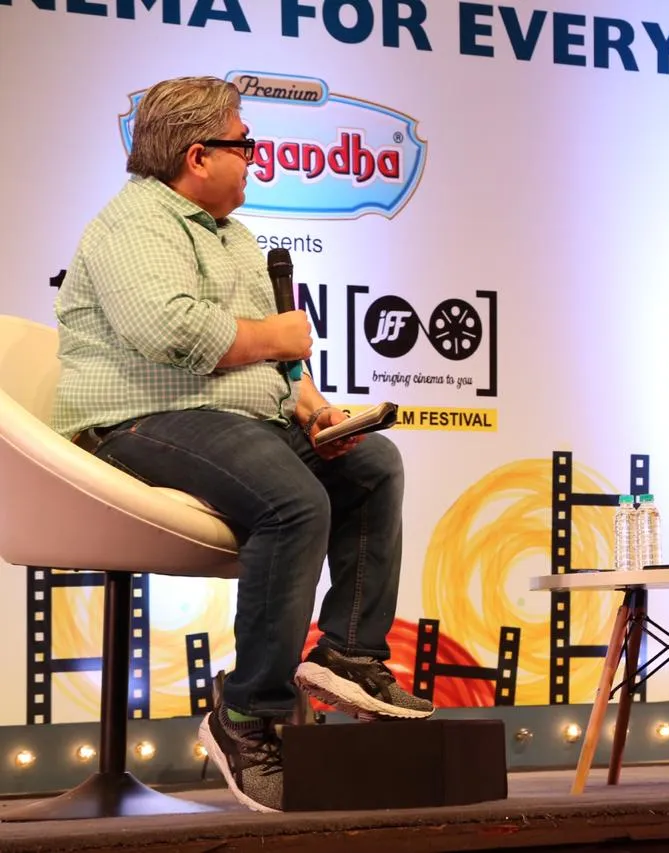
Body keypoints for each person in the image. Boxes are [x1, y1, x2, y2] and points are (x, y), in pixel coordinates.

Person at [52, 76, 434, 813]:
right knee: (292, 503)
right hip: (140, 419)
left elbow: (276, 364)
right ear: (198, 155)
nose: (255, 157)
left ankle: (349, 652)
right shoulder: (136, 225)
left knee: (371, 464)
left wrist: (314, 407)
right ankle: (246, 714)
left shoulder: (235, 237)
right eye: (245, 144)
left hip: (233, 417)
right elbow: (171, 332)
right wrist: (276, 335)